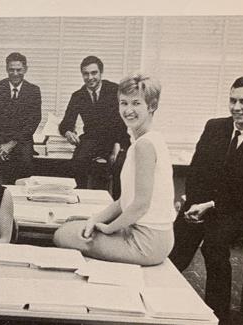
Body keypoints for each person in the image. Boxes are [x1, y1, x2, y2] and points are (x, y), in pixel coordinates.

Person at [169, 76, 243, 323]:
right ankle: (160, 306)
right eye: (232, 100)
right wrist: (191, 203)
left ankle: (217, 315)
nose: (236, 107)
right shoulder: (214, 127)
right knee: (176, 242)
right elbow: (196, 170)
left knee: (214, 242)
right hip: (203, 204)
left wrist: (211, 206)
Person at [53, 73, 175, 266]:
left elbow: (141, 205)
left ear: (152, 106)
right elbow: (124, 201)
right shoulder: (146, 140)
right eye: (123, 103)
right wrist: (95, 219)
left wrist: (108, 229)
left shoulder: (145, 145)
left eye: (136, 103)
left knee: (63, 235)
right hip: (145, 233)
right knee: (74, 223)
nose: (128, 110)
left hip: (148, 242)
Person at [59, 56, 129, 195]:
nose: (90, 77)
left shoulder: (115, 90)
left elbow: (123, 121)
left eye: (94, 73)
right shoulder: (78, 96)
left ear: (101, 73)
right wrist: (68, 132)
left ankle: (117, 204)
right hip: (92, 139)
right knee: (78, 162)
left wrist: (117, 145)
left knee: (120, 165)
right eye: (86, 74)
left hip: (117, 137)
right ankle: (81, 198)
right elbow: (65, 123)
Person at [0, 52, 42, 184]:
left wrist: (11, 144)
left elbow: (33, 122)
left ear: (25, 69)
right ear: (7, 69)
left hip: (21, 141)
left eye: (18, 70)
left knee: (25, 163)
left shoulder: (33, 91)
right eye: (11, 70)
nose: (15, 73)